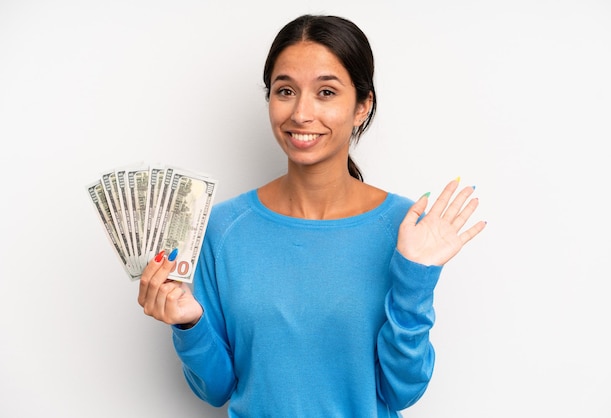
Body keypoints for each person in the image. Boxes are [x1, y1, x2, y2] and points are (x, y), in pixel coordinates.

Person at [138, 14, 486, 417]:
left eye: (326, 92)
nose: (301, 113)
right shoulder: (220, 228)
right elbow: (217, 389)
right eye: (285, 90)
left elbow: (401, 390)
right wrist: (189, 324)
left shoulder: (407, 228)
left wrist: (415, 276)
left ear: (362, 106)